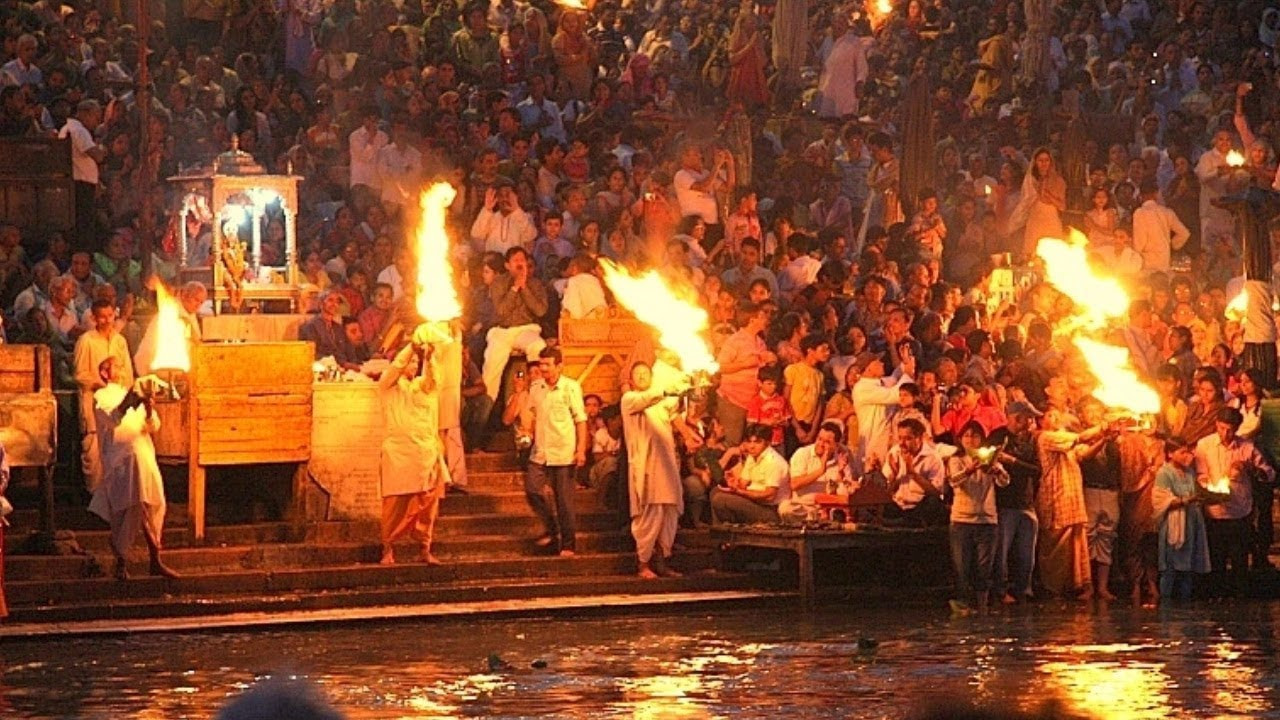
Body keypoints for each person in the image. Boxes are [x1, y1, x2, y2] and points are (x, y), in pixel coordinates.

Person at [88, 357, 177, 580]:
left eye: (121, 366)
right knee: (126, 510)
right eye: (115, 367)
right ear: (105, 373)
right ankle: (124, 561)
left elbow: (153, 426)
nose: (120, 370)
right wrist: (130, 401)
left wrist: (148, 409)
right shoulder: (101, 397)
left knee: (153, 503)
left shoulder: (134, 392)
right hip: (122, 460)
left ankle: (154, 557)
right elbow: (112, 419)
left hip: (143, 454)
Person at [377, 336, 451, 565]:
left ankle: (425, 548)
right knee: (394, 506)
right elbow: (395, 368)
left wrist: (429, 355)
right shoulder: (388, 386)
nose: (411, 366)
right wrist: (412, 347)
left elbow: (434, 377)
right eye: (409, 362)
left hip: (425, 453)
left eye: (414, 363)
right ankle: (388, 548)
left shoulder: (425, 388)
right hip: (398, 453)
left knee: (427, 508)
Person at [1194, 407, 1274, 598]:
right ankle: (1217, 597)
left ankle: (1239, 600)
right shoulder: (1204, 445)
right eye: (1222, 428)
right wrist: (1208, 487)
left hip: (1240, 511)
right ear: (1216, 425)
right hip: (1214, 510)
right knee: (1216, 557)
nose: (1225, 434)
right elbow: (1201, 474)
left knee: (1239, 559)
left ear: (1237, 429)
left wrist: (1249, 468)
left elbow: (1269, 473)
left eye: (1230, 430)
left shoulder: (1246, 447)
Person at [621, 362, 687, 579]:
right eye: (637, 374)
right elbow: (648, 398)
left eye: (645, 373)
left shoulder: (662, 402)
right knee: (650, 514)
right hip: (646, 466)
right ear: (631, 380)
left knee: (669, 513)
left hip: (667, 464)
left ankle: (663, 560)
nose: (641, 376)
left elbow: (675, 407)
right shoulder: (629, 400)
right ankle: (643, 564)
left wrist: (690, 382)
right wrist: (667, 389)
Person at [1036, 408, 1109, 600]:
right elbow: (1080, 439)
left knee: (1077, 544)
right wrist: (1103, 426)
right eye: (1050, 415)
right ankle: (1054, 588)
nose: (1056, 417)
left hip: (1072, 498)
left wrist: (1105, 439)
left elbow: (1085, 454)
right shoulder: (1046, 437)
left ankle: (1078, 586)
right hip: (1055, 498)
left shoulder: (1066, 441)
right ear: (1041, 421)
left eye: (1058, 415)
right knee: (1056, 546)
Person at [525, 347, 587, 556]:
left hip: (564, 451)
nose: (543, 368)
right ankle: (552, 529)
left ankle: (568, 544)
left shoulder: (570, 387)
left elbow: (580, 420)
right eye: (540, 364)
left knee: (564, 501)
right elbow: (532, 415)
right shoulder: (536, 388)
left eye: (547, 364)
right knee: (533, 490)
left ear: (559, 366)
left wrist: (580, 450)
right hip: (540, 451)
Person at [946, 421, 1009, 611]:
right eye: (966, 436)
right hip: (962, 520)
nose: (971, 440)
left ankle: (982, 606)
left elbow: (1005, 481)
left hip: (987, 520)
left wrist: (995, 470)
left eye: (975, 436)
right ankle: (963, 605)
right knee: (962, 567)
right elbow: (953, 481)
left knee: (985, 568)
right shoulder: (956, 459)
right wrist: (970, 470)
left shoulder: (990, 458)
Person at [74, 298, 134, 491]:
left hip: (116, 405)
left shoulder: (120, 341)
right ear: (94, 318)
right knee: (94, 454)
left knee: (118, 452)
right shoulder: (86, 341)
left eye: (110, 316)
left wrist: (119, 384)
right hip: (93, 404)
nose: (107, 321)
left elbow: (128, 374)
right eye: (102, 317)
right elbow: (79, 374)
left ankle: (114, 497)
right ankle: (94, 498)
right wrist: (100, 382)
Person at [481, 247, 549, 400]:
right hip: (502, 331)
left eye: (522, 260)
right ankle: (485, 407)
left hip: (526, 329)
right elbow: (501, 312)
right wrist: (515, 288)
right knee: (492, 361)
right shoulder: (498, 283)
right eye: (515, 260)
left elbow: (540, 311)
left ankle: (536, 396)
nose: (519, 264)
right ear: (507, 265)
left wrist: (524, 287)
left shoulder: (536, 284)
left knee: (538, 347)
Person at [1153, 437, 1211, 602]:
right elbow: (1160, 500)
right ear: (1170, 454)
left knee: (1188, 566)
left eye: (1188, 451)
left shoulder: (1189, 472)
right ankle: (1166, 603)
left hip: (1190, 522)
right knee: (1170, 567)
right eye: (1182, 452)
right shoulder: (1164, 473)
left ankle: (1185, 604)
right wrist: (1186, 500)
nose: (1187, 455)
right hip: (1174, 523)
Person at [996, 402, 1041, 604]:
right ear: (1016, 417)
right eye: (1028, 417)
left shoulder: (1032, 440)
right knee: (1002, 552)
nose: (1031, 422)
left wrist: (1012, 461)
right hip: (1005, 503)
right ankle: (1001, 590)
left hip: (1026, 502)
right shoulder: (998, 437)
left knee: (1026, 554)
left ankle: (1023, 589)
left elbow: (1037, 470)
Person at [710, 423, 789, 524]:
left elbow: (770, 496)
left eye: (757, 442)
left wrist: (741, 492)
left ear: (768, 443)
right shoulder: (752, 457)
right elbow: (743, 483)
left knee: (720, 499)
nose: (751, 446)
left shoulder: (774, 462)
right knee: (715, 491)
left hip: (770, 510)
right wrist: (733, 483)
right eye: (749, 442)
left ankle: (726, 532)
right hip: (753, 502)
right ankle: (722, 530)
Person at [876, 417, 947, 526]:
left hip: (920, 506)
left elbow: (937, 493)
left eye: (907, 438)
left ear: (919, 438)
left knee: (934, 503)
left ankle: (906, 522)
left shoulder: (933, 458)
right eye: (900, 438)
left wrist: (913, 474)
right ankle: (903, 522)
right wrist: (895, 477)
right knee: (878, 505)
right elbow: (885, 493)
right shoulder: (895, 453)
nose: (902, 443)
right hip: (898, 506)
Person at [299, 290, 360, 370]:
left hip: (346, 371)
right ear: (321, 304)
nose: (334, 304)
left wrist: (353, 364)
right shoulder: (310, 327)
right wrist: (343, 364)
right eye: (330, 300)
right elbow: (314, 354)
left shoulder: (338, 328)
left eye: (337, 301)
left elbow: (349, 350)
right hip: (324, 370)